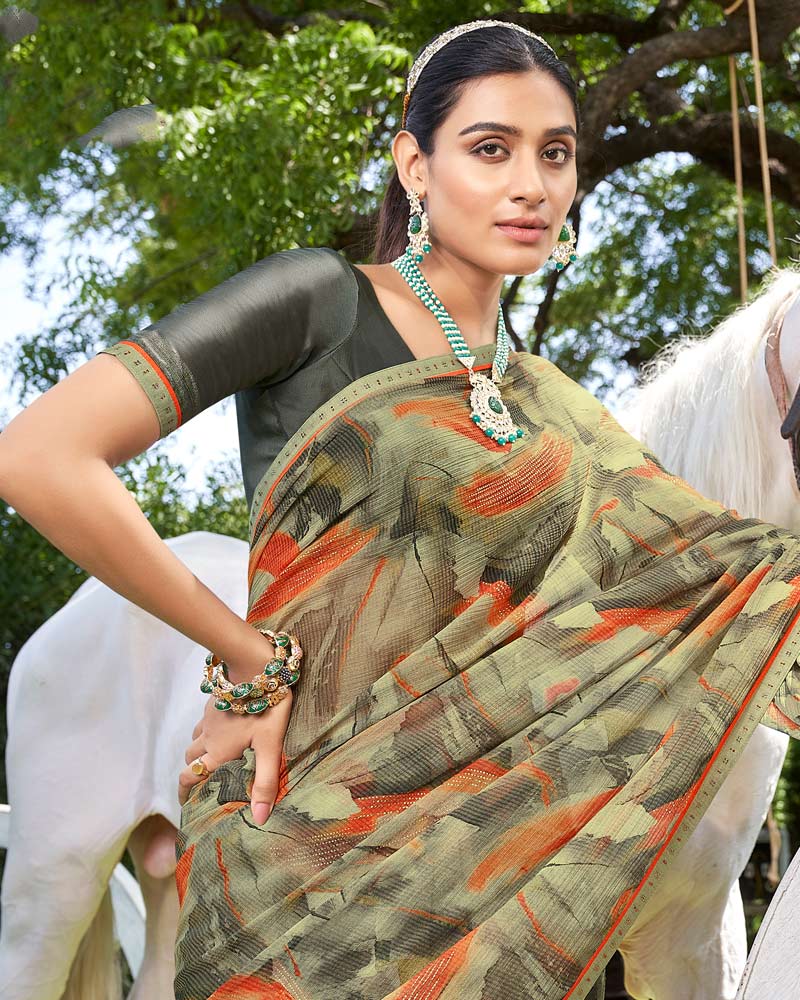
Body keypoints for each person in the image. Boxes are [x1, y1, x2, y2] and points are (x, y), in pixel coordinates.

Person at [3, 18, 800, 1000]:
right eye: (491, 148)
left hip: (473, 861)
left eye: (554, 154)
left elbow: (670, 596)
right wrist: (245, 654)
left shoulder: (553, 408)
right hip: (309, 839)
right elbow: (39, 455)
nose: (531, 183)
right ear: (414, 166)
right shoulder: (318, 299)